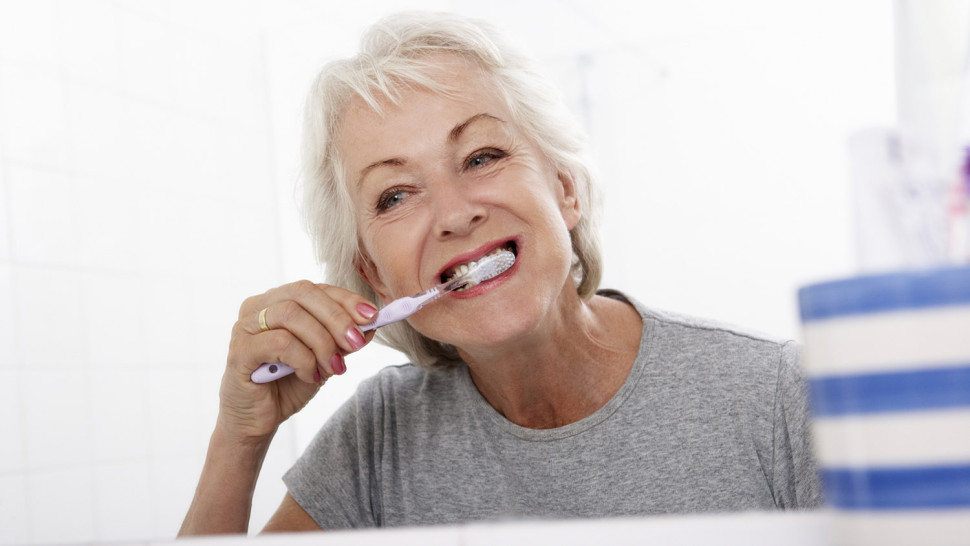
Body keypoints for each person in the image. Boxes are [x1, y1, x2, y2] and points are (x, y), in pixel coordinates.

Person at [178, 11, 821, 536]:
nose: (456, 214)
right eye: (395, 195)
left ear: (565, 190)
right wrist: (239, 438)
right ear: (374, 274)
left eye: (482, 155)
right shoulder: (378, 441)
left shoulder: (781, 402)